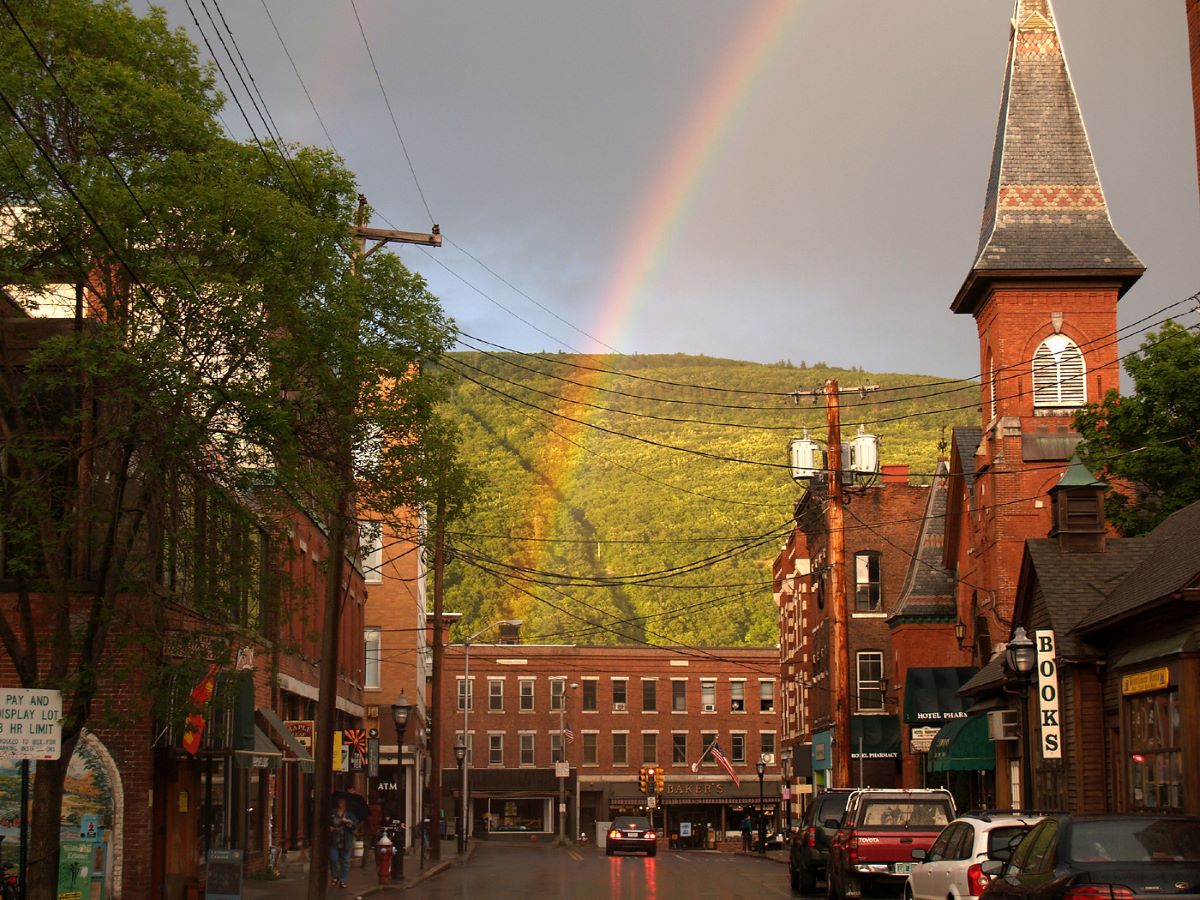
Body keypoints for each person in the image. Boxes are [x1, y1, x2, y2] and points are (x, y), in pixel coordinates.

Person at [329, 797, 358, 889]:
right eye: (339, 801)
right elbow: (328, 823)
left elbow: (354, 826)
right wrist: (330, 828)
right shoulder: (333, 813)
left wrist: (348, 822)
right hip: (335, 840)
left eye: (342, 801)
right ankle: (335, 877)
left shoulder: (349, 814)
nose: (340, 803)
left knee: (345, 860)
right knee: (333, 858)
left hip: (346, 840)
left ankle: (343, 880)